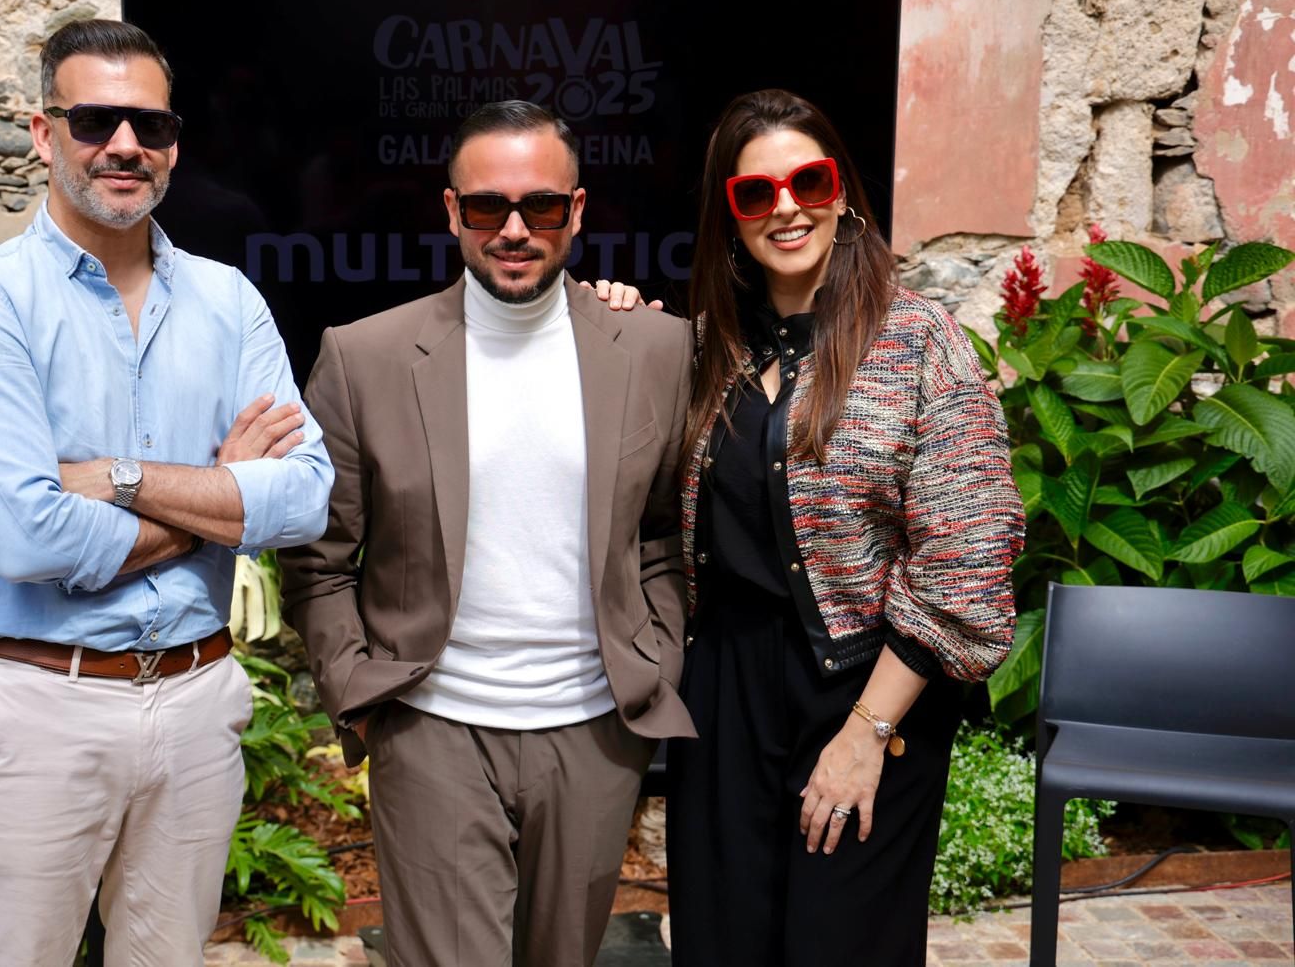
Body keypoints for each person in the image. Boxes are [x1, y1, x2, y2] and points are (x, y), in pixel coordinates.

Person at [0, 18, 333, 967]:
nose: (124, 146)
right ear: (42, 133)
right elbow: (27, 537)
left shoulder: (229, 301)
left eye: (148, 126)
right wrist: (218, 497)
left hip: (195, 704)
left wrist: (114, 477)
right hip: (39, 706)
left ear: (174, 145)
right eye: (96, 119)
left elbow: (305, 495)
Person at [601, 88, 1023, 964]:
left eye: (808, 180)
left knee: (841, 944)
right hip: (722, 690)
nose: (785, 206)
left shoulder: (919, 345)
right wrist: (612, 325)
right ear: (730, 216)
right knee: (722, 942)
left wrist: (866, 737)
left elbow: (968, 567)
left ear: (843, 192)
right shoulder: (706, 350)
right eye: (755, 194)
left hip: (870, 689)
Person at [278, 100, 695, 967]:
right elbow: (319, 561)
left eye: (541, 206)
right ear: (451, 213)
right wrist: (362, 697)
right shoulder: (366, 358)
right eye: (486, 207)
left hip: (592, 734)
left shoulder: (657, 349)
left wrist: (657, 656)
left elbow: (662, 531)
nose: (514, 229)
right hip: (432, 730)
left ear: (577, 212)